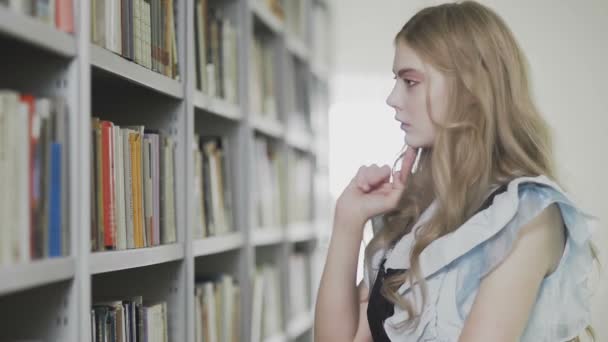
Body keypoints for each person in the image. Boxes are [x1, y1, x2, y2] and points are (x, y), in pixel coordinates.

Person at [314, 1, 598, 341]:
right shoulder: (415, 215)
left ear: (470, 88)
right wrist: (348, 220)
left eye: (410, 81)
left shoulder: (527, 214)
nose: (392, 98)